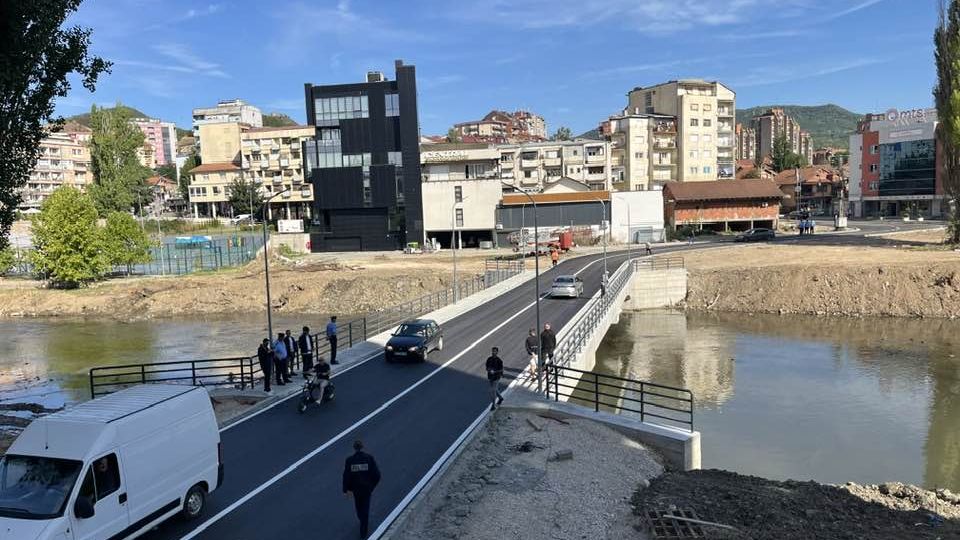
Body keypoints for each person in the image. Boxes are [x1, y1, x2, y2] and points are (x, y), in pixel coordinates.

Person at [343, 440, 381, 538]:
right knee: (365, 507)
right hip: (367, 489)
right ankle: (364, 525)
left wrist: (346, 489)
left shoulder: (350, 460)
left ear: (354, 448)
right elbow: (377, 475)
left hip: (356, 490)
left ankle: (363, 525)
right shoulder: (369, 458)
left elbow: (347, 476)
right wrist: (372, 486)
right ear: (362, 447)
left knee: (359, 507)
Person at [486, 347, 504, 411]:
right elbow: (487, 367)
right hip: (490, 376)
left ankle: (493, 405)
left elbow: (501, 369)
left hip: (496, 377)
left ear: (497, 352)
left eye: (495, 351)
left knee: (493, 391)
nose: (494, 352)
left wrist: (494, 372)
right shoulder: (489, 359)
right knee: (495, 389)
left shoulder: (499, 360)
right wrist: (489, 370)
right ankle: (500, 398)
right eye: (493, 351)